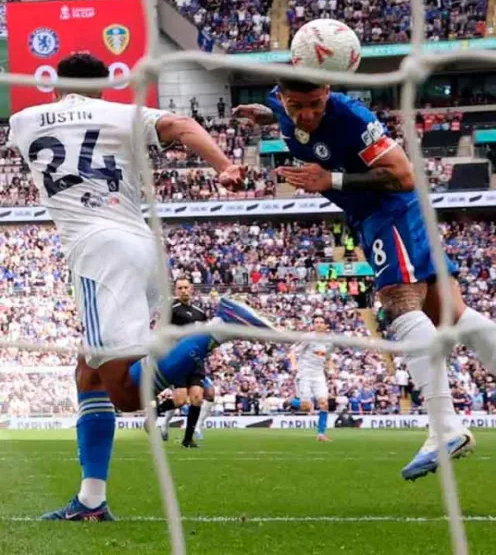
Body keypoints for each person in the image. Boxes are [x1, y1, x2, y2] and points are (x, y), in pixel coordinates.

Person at [233, 69, 496, 479]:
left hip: (391, 209)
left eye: (315, 105)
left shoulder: (351, 118)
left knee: (399, 303)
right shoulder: (281, 105)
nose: (306, 115)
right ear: (282, 98)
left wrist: (333, 179)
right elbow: (285, 113)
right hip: (371, 215)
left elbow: (403, 174)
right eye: (296, 107)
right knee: (450, 313)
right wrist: (268, 115)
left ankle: (446, 427)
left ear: (328, 92)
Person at [9, 52, 274, 522]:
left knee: (125, 395)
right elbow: (182, 128)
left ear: (53, 86)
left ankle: (218, 327)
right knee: (88, 374)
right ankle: (91, 500)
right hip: (144, 245)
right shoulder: (125, 114)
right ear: (107, 87)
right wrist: (224, 166)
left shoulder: (26, 120)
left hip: (96, 253)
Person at [154, 278, 212, 448]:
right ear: (176, 290)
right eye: (180, 288)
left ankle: (188, 439)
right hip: (179, 360)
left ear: (191, 289)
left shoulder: (200, 313)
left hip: (195, 361)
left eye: (186, 287)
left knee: (197, 398)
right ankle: (155, 412)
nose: (184, 291)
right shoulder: (170, 311)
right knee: (179, 401)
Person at [289, 314, 333, 442]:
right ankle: (288, 402)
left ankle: (321, 434)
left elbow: (328, 357)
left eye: (321, 322)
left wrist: (331, 369)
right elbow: (293, 352)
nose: (318, 324)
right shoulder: (307, 338)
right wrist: (294, 366)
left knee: (324, 404)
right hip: (305, 374)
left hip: (319, 375)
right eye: (316, 322)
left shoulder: (329, 341)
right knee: (306, 407)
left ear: (326, 325)